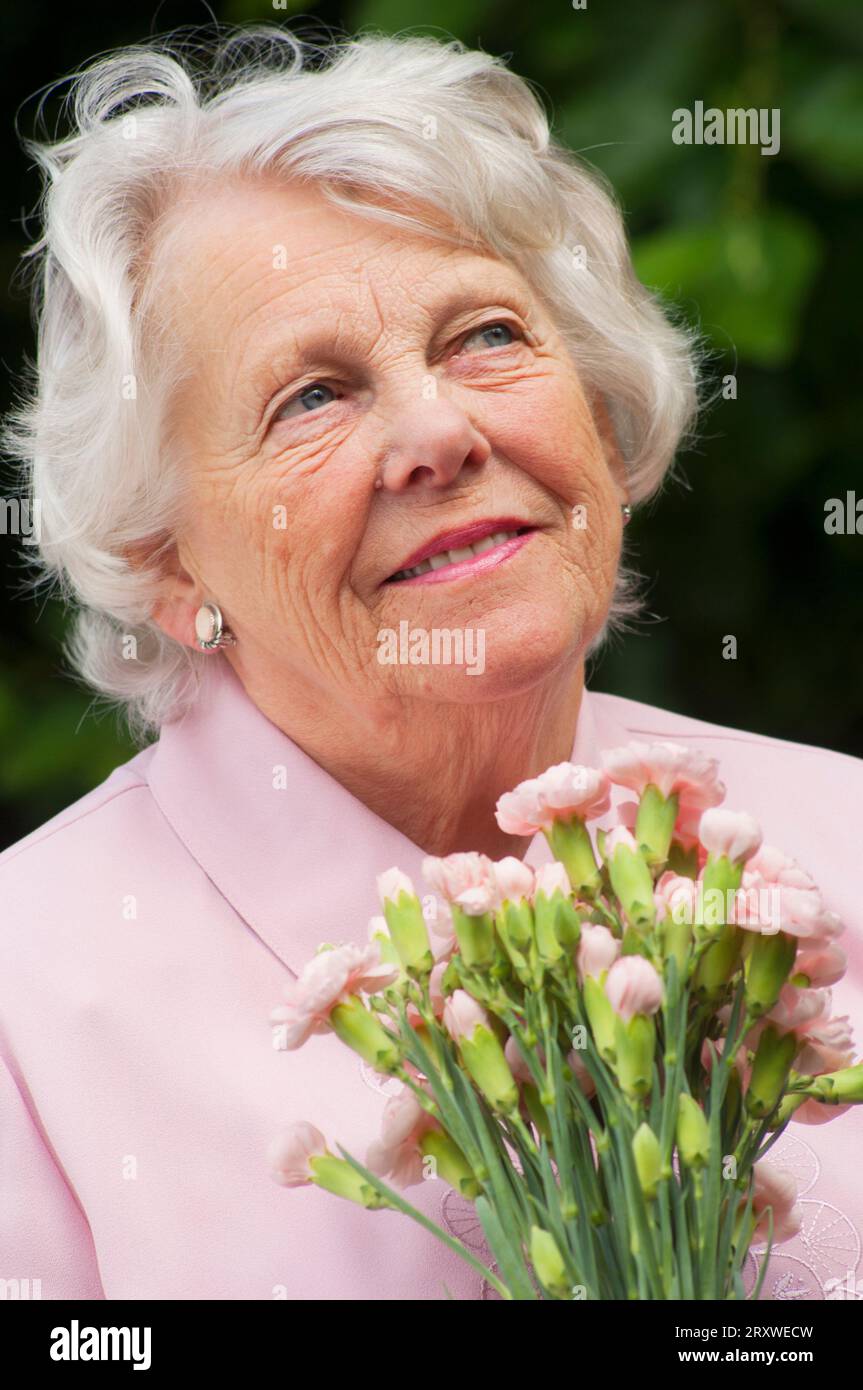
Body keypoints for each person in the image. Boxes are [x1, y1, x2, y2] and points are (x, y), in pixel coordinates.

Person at [1, 27, 860, 1301]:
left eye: (484, 336)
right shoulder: (29, 1005)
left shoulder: (838, 842)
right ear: (168, 563)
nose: (438, 432)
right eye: (311, 397)